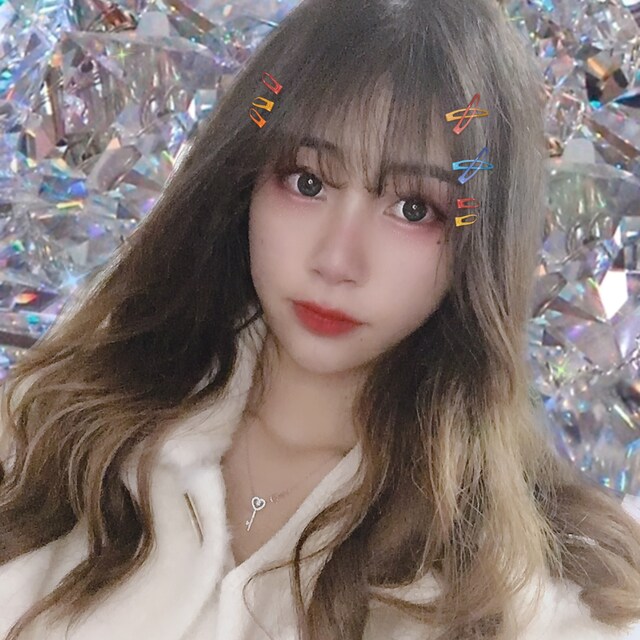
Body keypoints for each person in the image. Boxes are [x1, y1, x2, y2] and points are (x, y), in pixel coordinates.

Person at [0, 0, 639, 638]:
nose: (337, 261)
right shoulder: (52, 430)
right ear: (244, 182)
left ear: (482, 242)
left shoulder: (546, 596)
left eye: (414, 209)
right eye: (307, 182)